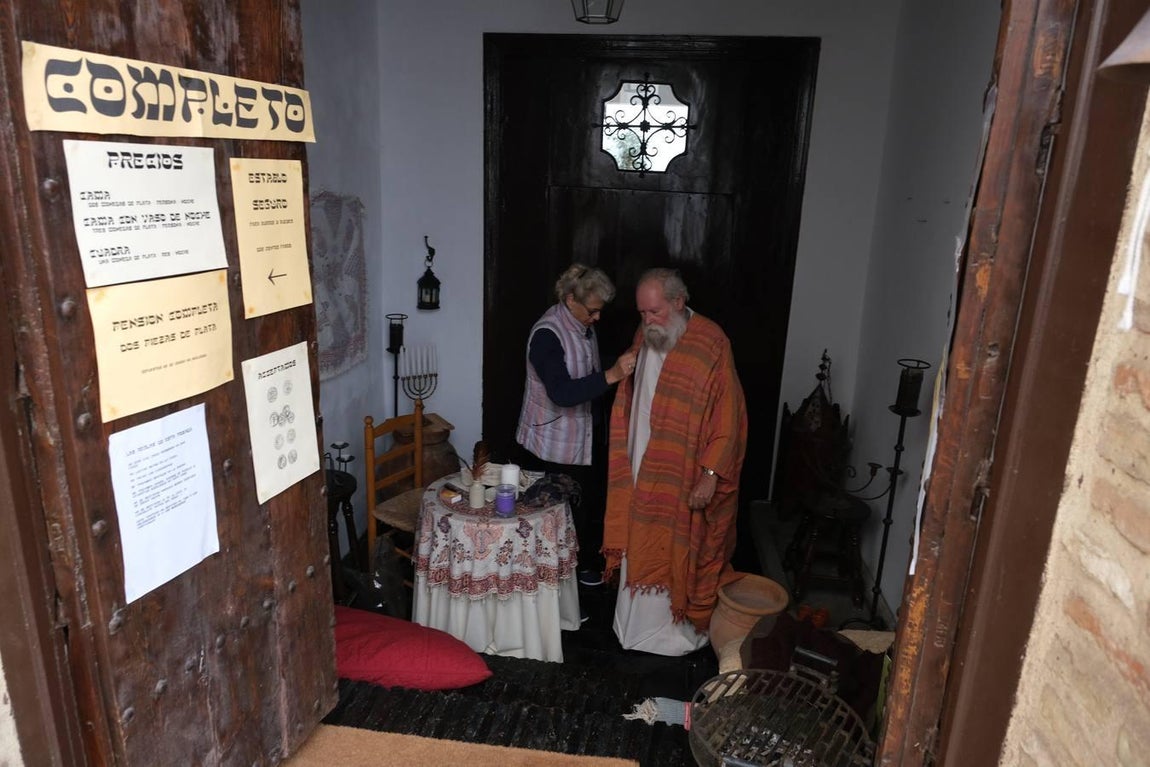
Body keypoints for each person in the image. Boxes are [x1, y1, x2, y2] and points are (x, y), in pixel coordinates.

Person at [602, 267, 747, 656]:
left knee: (679, 541)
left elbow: (729, 417)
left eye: (655, 312)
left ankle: (672, 631)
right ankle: (632, 624)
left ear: (679, 302)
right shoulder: (646, 334)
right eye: (642, 313)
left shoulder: (712, 343)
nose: (648, 320)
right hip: (641, 462)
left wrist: (710, 474)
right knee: (641, 533)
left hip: (684, 470)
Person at [515, 264, 637, 586]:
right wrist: (612, 374)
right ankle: (553, 585)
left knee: (583, 509)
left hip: (583, 435)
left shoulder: (582, 323)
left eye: (600, 310)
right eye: (592, 310)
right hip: (551, 442)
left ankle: (579, 572)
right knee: (555, 518)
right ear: (571, 299)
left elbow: (586, 367)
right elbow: (562, 392)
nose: (597, 318)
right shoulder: (547, 335)